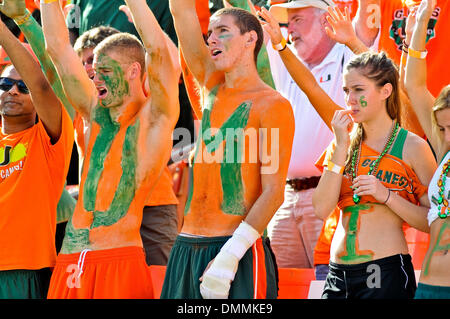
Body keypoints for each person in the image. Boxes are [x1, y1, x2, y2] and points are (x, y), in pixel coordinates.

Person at [40, 0, 180, 298]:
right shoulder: (94, 114)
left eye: (104, 70)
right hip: (70, 260)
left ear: (132, 71)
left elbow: (159, 53)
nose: (95, 76)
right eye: (93, 69)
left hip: (117, 257)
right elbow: (58, 51)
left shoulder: (155, 118)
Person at [162, 0, 295, 299]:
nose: (210, 39)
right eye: (209, 33)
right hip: (185, 245)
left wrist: (230, 255)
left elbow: (274, 192)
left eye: (222, 31)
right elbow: (180, 10)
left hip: (237, 249)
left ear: (251, 39)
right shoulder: (209, 85)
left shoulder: (273, 105)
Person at [264, 0, 379, 274]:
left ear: (325, 20)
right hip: (285, 197)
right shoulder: (286, 59)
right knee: (282, 287)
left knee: (327, 284)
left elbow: (366, 23)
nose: (289, 30)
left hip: (329, 195)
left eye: (298, 20)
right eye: (288, 22)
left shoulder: (348, 56)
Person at [310, 49, 437, 298]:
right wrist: (340, 148)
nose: (350, 100)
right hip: (337, 274)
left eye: (359, 90)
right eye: (346, 91)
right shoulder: (341, 143)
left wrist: (387, 196)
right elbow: (321, 209)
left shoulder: (413, 146)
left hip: (384, 270)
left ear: (385, 91)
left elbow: (435, 221)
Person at [73, 23, 180, 266]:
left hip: (152, 207)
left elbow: (171, 66)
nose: (89, 68)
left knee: (158, 286)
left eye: (95, 60)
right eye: (85, 62)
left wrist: (145, 26)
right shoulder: (85, 106)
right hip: (101, 215)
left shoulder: (145, 94)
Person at [0, 7, 74, 298]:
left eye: (22, 86)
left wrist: (4, 32)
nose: (13, 91)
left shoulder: (48, 138)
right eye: (5, 84)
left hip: (23, 271)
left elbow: (43, 85)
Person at [404, 0, 450, 299]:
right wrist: (420, 27)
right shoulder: (444, 147)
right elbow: (414, 85)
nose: (445, 136)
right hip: (429, 287)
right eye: (442, 128)